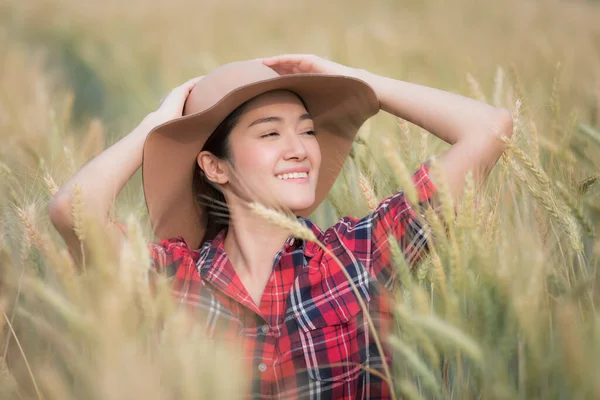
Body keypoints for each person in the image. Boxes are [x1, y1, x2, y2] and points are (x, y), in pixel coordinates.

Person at [49, 54, 513, 399]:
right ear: (214, 166)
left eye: (307, 130)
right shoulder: (170, 278)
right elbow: (73, 209)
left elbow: (490, 129)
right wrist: (159, 123)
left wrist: (360, 82)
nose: (299, 149)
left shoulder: (359, 254)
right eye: (270, 133)